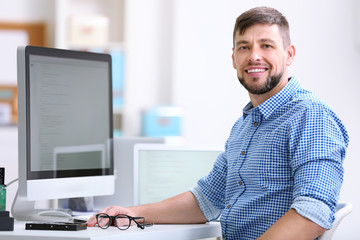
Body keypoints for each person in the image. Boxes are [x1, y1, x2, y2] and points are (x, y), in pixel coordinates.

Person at [87, 6, 349, 240]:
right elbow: (205, 200)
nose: (254, 56)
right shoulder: (245, 126)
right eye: (244, 47)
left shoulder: (310, 116)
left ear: (289, 54)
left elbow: (313, 211)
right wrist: (132, 213)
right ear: (233, 58)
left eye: (266, 45)